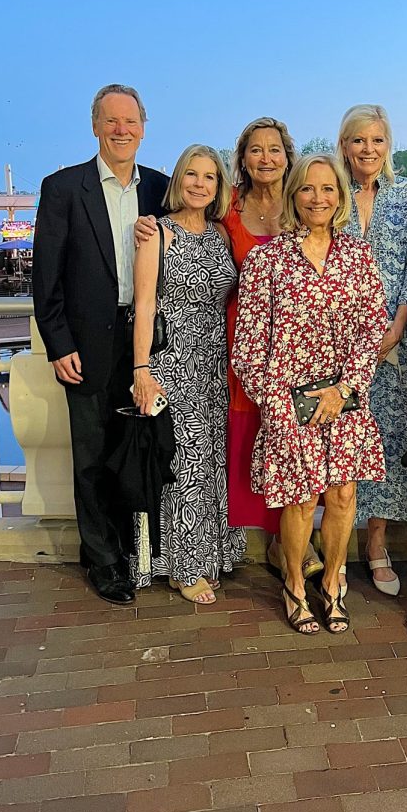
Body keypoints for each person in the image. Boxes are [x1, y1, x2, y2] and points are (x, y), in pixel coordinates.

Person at [134, 117, 323, 581]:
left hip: (293, 346)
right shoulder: (228, 213)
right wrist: (141, 366)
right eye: (255, 150)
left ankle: (288, 540)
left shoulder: (303, 203)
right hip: (231, 346)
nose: (266, 158)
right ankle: (197, 560)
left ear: (287, 154)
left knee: (289, 439)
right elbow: (149, 295)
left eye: (274, 149)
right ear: (242, 159)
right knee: (222, 449)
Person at [232, 154, 387, 634]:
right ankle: (295, 584)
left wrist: (344, 388)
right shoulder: (267, 260)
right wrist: (275, 404)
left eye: (327, 189)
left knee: (342, 496)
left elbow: (372, 326)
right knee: (299, 500)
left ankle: (335, 581)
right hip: (288, 402)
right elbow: (247, 346)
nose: (318, 198)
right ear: (294, 195)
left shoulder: (358, 258)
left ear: (339, 195)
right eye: (307, 189)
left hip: (345, 399)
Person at [33, 84, 168, 605]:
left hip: (148, 344)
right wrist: (57, 342)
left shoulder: (159, 187)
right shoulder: (64, 188)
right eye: (111, 121)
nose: (121, 130)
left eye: (130, 121)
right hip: (86, 344)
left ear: (143, 126)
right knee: (91, 453)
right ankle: (103, 559)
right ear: (95, 126)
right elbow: (46, 279)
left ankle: (140, 549)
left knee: (136, 447)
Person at [131, 145, 245, 604]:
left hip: (215, 364)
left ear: (219, 187)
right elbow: (144, 306)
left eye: (210, 177)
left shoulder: (220, 235)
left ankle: (210, 553)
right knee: (184, 466)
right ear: (179, 180)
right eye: (192, 175)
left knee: (211, 461)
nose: (200, 183)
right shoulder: (156, 233)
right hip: (173, 363)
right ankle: (183, 566)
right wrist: (141, 369)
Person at [337, 104, 407, 595]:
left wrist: (397, 326)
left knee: (385, 444)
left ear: (387, 144)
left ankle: (375, 546)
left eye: (376, 140)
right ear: (344, 145)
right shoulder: (329, 190)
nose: (367, 150)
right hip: (338, 345)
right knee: (337, 443)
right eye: (358, 140)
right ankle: (333, 549)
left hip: (395, 343)